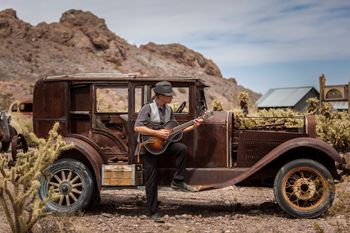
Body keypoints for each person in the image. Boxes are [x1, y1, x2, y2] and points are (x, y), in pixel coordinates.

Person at [134, 81, 203, 222]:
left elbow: (176, 130)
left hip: (163, 146)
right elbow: (137, 127)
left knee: (181, 149)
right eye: (168, 95)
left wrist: (194, 126)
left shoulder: (169, 110)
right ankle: (153, 211)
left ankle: (178, 180)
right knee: (151, 179)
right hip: (148, 147)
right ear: (159, 96)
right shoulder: (147, 108)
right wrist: (157, 133)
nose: (171, 98)